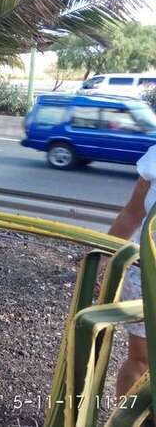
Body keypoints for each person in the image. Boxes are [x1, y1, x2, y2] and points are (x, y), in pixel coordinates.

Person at [108, 145, 156, 396]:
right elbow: (132, 213)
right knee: (141, 360)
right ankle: (126, 420)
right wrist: (105, 256)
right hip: (147, 274)